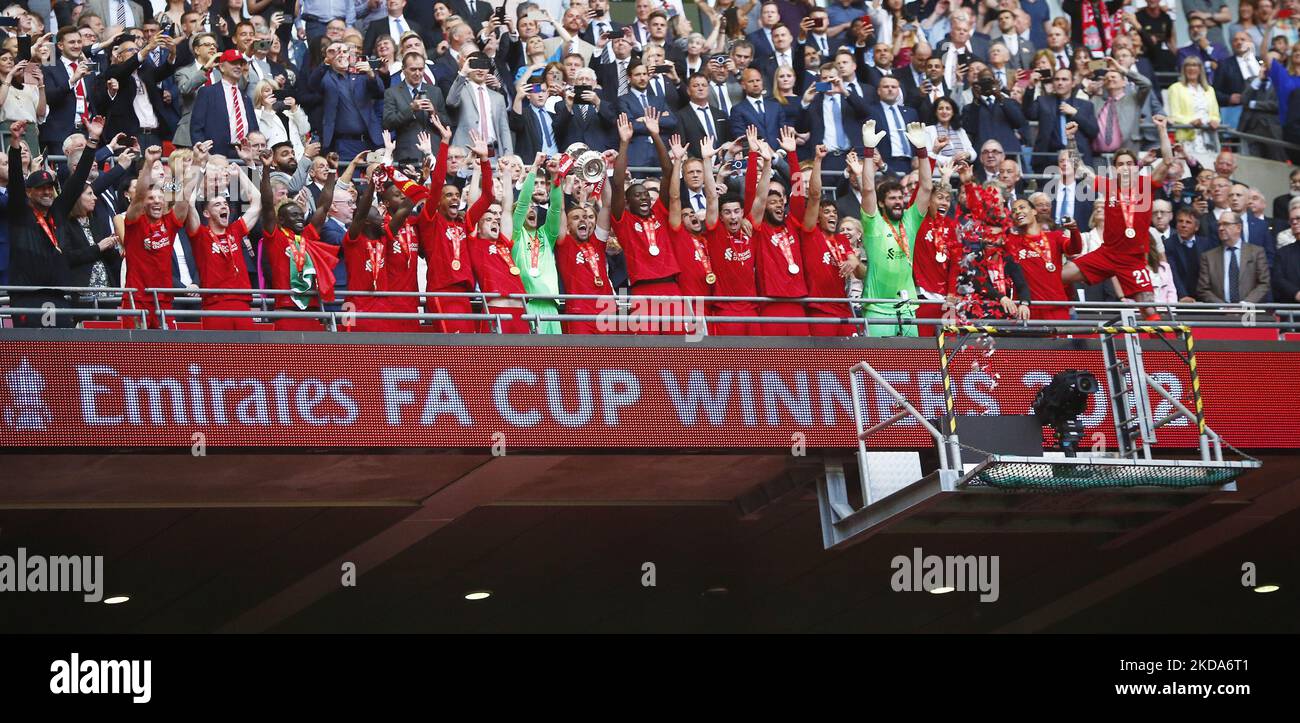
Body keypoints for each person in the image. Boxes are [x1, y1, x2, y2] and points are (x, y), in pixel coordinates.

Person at [1061, 116, 1174, 319]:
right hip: (1107, 254)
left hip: (1134, 261)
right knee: (1062, 275)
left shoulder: (1146, 185)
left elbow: (1168, 161)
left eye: (1129, 163)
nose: (1125, 167)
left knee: (1149, 310)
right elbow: (1079, 168)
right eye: (1120, 164)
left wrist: (1162, 130)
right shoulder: (1107, 185)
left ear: (1135, 167)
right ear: (1114, 169)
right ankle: (1067, 312)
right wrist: (1071, 139)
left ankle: (1160, 349)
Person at [5, 117, 103, 327]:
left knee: (59, 355)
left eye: (49, 187)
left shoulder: (57, 211)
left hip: (59, 295)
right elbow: (14, 180)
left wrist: (93, 140)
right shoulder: (20, 211)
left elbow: (77, 182)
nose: (47, 192)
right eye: (40, 188)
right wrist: (14, 145)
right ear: (29, 192)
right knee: (30, 354)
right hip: (27, 296)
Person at [853, 118, 934, 336]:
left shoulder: (910, 220)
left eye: (900, 198)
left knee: (910, 367)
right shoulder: (873, 222)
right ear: (881, 203)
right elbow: (868, 189)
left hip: (907, 308)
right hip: (877, 309)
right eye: (892, 199)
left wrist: (922, 150)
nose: (899, 202)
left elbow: (926, 187)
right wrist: (868, 152)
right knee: (879, 365)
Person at [415, 119, 494, 333]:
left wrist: (485, 160)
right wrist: (444, 142)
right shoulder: (431, 220)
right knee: (453, 349)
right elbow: (438, 181)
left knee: (467, 352)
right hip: (442, 291)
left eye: (457, 195)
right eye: (448, 195)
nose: (455, 199)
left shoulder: (464, 222)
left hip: (464, 293)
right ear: (438, 200)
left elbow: (488, 197)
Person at [177, 141, 264, 330]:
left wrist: (240, 172)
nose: (224, 206)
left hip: (242, 304)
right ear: (206, 213)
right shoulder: (199, 234)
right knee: (218, 358)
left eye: (225, 204)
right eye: (217, 205)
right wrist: (199, 167)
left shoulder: (236, 230)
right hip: (213, 305)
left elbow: (257, 201)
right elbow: (187, 201)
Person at [611, 109, 683, 332]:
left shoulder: (660, 212)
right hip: (642, 291)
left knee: (681, 350)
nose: (644, 197)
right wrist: (624, 143)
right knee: (647, 352)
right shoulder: (623, 220)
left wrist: (655, 135)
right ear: (628, 202)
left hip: (671, 287)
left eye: (645, 195)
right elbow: (617, 181)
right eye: (637, 195)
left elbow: (668, 172)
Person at [258, 147, 340, 331]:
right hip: (285, 309)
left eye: (300, 214)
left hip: (312, 310)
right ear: (281, 220)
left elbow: (323, 207)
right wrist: (265, 169)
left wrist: (332, 172)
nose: (299, 218)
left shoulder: (307, 237)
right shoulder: (275, 237)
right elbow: (266, 204)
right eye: (293, 216)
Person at [745, 125, 809, 335]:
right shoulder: (758, 228)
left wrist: (792, 154)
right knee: (773, 364)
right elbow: (752, 195)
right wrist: (755, 156)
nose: (779, 205)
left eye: (781, 201)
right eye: (773, 202)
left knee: (802, 365)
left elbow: (799, 191)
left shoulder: (793, 223)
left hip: (798, 305)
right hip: (770, 305)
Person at [799, 144, 861, 336]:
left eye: (834, 212)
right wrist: (818, 160)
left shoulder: (842, 239)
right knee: (823, 363)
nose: (832, 215)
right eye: (826, 212)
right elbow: (815, 195)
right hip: (819, 310)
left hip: (843, 307)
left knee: (852, 359)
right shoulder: (810, 233)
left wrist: (852, 261)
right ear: (817, 217)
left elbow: (853, 259)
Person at [511, 153, 564, 334]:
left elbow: (555, 208)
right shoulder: (516, 235)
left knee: (556, 360)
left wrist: (556, 178)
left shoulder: (547, 235)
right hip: (527, 305)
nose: (531, 210)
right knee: (531, 359)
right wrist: (533, 168)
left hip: (551, 307)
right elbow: (522, 204)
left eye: (534, 208)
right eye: (527, 209)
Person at [1007, 197, 1083, 321]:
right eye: (1014, 211)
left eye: (1022, 208)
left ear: (1034, 211)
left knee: (1061, 341)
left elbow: (1075, 250)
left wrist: (1074, 231)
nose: (1018, 212)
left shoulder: (1055, 236)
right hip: (1026, 309)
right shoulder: (1012, 241)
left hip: (1057, 307)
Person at [1197, 211, 1271, 303]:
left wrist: (1245, 304)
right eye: (1219, 225)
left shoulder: (1256, 252)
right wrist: (1223, 307)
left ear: (1238, 227)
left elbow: (1264, 284)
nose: (1220, 228)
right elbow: (1203, 289)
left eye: (1226, 224)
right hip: (1220, 314)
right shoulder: (1209, 257)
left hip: (1249, 313)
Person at [1168, 56, 1222, 154]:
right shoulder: (1175, 88)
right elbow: (1174, 115)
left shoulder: (1209, 90)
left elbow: (1216, 115)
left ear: (1200, 69)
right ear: (1183, 69)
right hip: (1187, 136)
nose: (1191, 68)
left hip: (1209, 135)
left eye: (1195, 65)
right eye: (1188, 65)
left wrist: (1214, 121)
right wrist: (1191, 121)